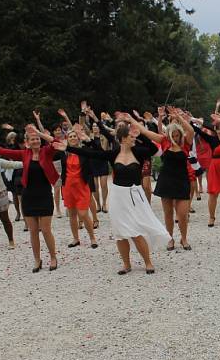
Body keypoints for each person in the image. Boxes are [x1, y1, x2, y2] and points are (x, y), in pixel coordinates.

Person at [59, 121, 169, 274]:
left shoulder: (138, 151)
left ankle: (148, 262)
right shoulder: (114, 154)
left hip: (134, 195)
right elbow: (92, 153)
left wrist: (141, 135)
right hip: (118, 196)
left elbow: (154, 149)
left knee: (136, 231)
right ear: (123, 138)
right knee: (120, 232)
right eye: (130, 136)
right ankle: (126, 264)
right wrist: (67, 148)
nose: (133, 139)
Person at [0, 125, 60, 272]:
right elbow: (2, 151)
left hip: (44, 194)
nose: (36, 141)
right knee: (33, 230)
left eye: (37, 139)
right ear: (27, 142)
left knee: (46, 229)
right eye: (33, 139)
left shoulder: (47, 152)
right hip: (29, 195)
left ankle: (53, 257)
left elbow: (56, 142)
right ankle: (37, 259)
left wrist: (39, 132)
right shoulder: (25, 154)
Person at [127, 113, 193, 251]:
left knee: (182, 213)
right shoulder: (164, 141)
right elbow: (145, 131)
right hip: (166, 180)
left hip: (182, 181)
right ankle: (170, 238)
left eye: (177, 135)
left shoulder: (186, 143)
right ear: (168, 134)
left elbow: (191, 130)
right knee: (168, 212)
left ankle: (184, 238)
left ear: (180, 134)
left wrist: (180, 118)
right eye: (172, 135)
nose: (175, 138)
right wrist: (131, 119)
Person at [58, 127, 98, 249]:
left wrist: (87, 138)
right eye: (70, 137)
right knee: (72, 215)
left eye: (74, 136)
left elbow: (96, 149)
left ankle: (92, 238)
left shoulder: (84, 151)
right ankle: (76, 238)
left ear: (78, 138)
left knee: (84, 214)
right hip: (68, 187)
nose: (73, 138)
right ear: (67, 140)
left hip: (82, 186)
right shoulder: (64, 153)